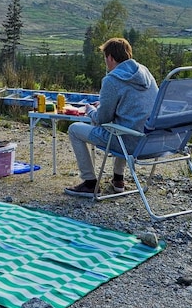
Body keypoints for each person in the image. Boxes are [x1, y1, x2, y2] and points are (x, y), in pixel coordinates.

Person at [64, 37, 158, 197]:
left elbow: (102, 119)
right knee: (124, 123)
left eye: (105, 58)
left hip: (130, 143)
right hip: (153, 142)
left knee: (74, 129)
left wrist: (90, 110)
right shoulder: (145, 72)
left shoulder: (112, 80)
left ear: (110, 58)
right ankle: (118, 179)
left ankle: (89, 183)